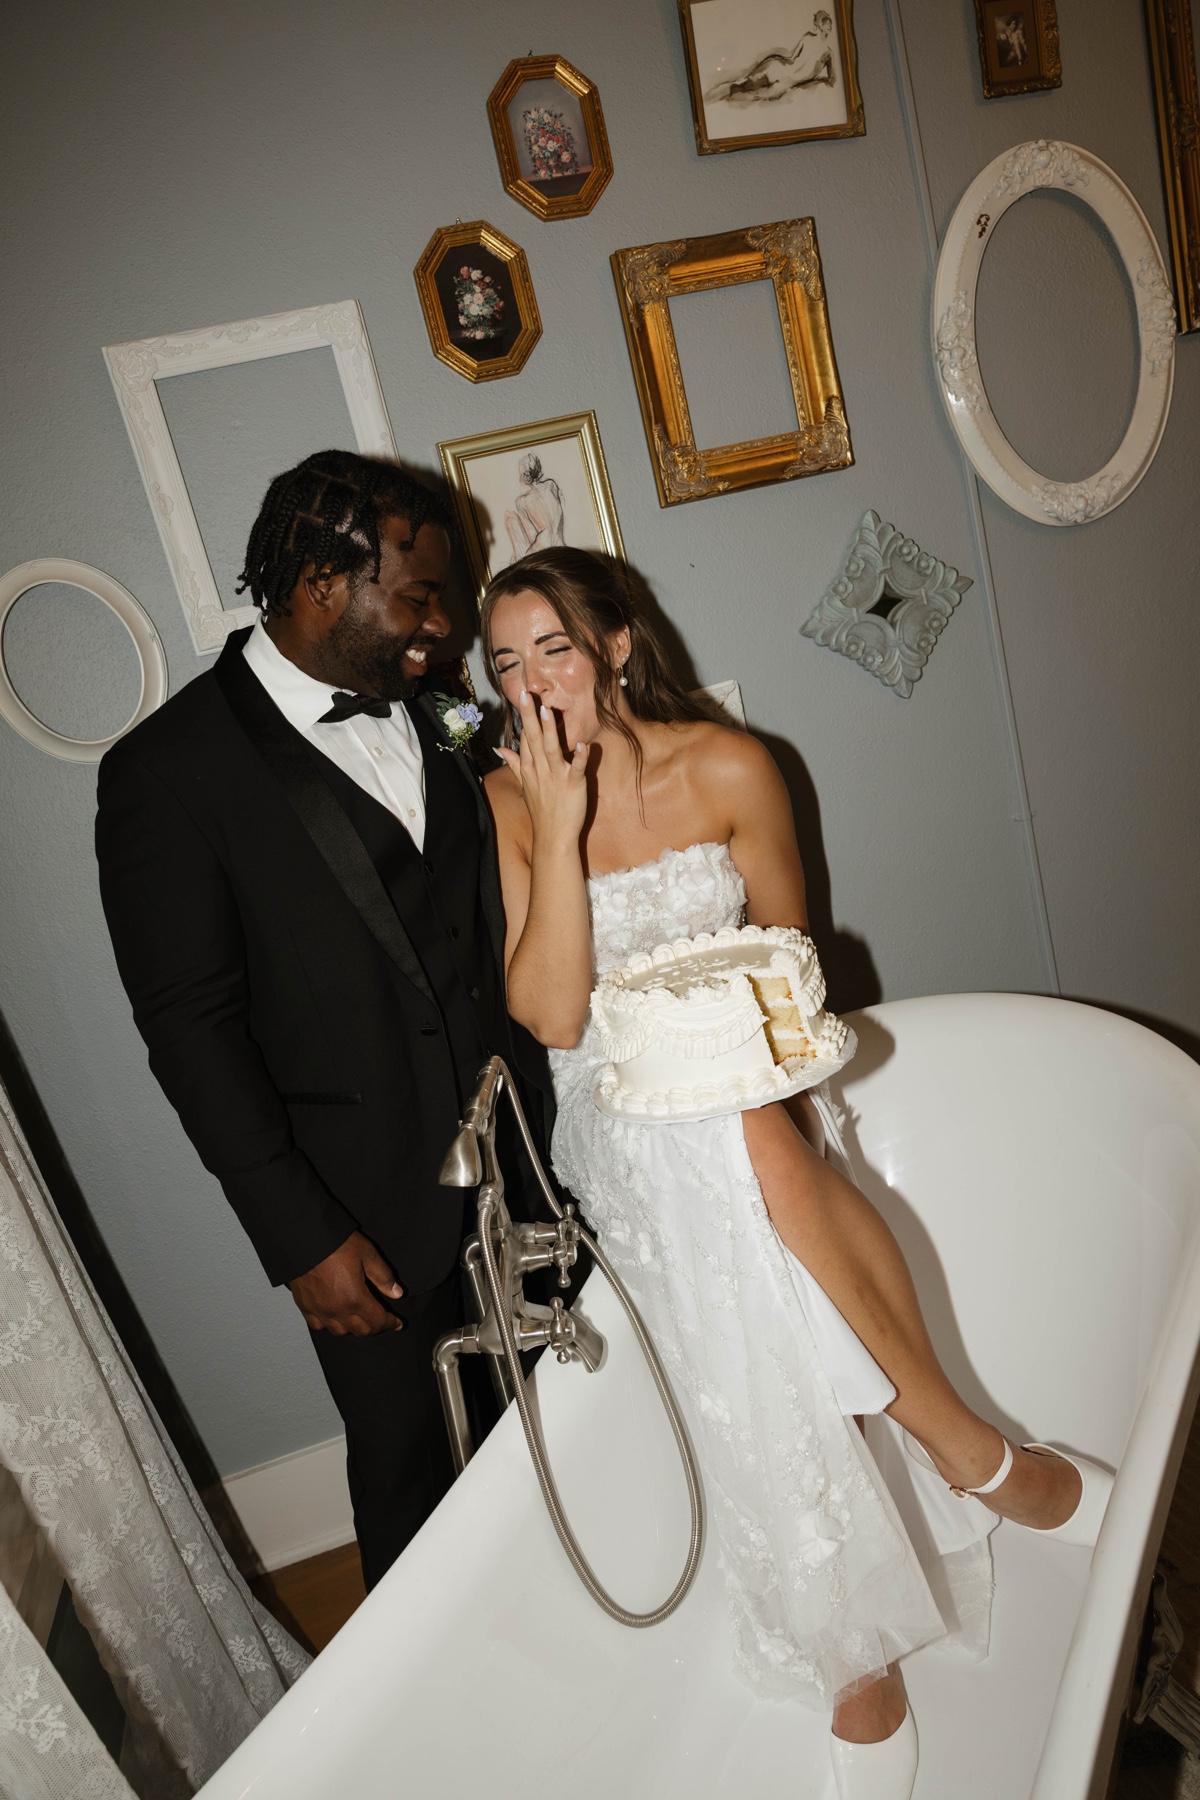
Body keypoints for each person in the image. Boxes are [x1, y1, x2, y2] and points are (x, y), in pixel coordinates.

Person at [478, 547, 1112, 1800]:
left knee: (749, 1144)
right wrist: (555, 824)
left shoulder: (732, 766)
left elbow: (790, 962)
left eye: (554, 648)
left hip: (758, 1065)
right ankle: (976, 1458)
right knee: (724, 1159)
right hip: (616, 1097)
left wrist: (748, 1072)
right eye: (505, 664)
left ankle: (854, 1648)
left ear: (616, 644)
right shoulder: (508, 802)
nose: (532, 683)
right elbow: (552, 1017)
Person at [96, 449, 553, 1591]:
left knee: (557, 1417)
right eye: (419, 598)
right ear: (316, 583)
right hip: (364, 1205)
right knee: (409, 1470)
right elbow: (190, 1031)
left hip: (526, 1151)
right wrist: (298, 1238)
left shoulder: (438, 704)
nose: (443, 628)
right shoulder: (167, 772)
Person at [706, 10, 836, 105]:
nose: (830, 26)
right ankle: (710, 98)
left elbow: (831, 79)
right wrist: (772, 58)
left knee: (753, 94)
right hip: (780, 69)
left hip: (788, 81)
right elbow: (791, 58)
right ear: (820, 24)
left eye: (830, 23)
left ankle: (712, 98)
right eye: (827, 23)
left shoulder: (828, 52)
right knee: (743, 85)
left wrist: (817, 78)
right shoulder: (808, 37)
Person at [504, 453, 565, 563]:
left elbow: (531, 534)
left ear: (524, 475)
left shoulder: (521, 502)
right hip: (559, 542)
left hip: (543, 545)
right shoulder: (551, 485)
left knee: (510, 519)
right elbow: (561, 510)